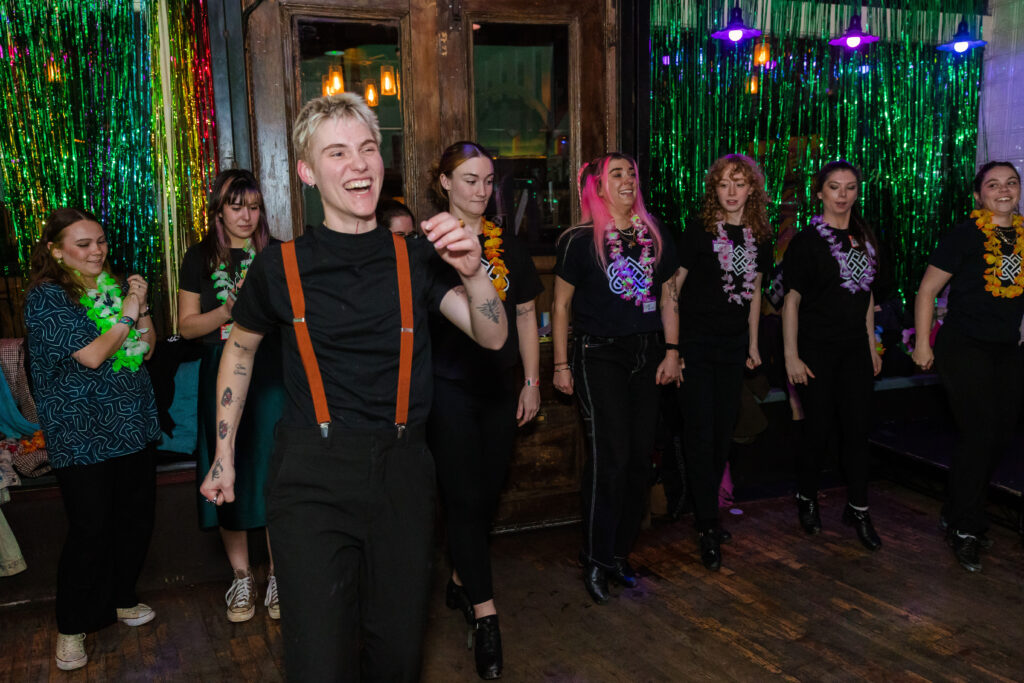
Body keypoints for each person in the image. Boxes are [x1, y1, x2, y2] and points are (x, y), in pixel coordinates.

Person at [198, 93, 507, 681]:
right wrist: (223, 454)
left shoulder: (417, 256)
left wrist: (474, 273)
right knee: (319, 661)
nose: (359, 164)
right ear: (308, 172)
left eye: (367, 148)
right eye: (337, 152)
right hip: (312, 475)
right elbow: (238, 350)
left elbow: (491, 336)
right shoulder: (279, 266)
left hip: (403, 472)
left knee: (396, 657)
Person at [24, 208, 160, 671]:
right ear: (56, 250)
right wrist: (128, 310)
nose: (96, 251)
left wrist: (138, 309)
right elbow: (95, 355)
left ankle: (121, 598)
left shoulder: (111, 287)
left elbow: (146, 347)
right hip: (82, 436)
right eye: (82, 244)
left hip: (132, 424)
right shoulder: (46, 299)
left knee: (134, 520)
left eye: (100, 241)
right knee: (90, 529)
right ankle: (72, 628)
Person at [427, 141, 543, 679]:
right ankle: (486, 616)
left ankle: (459, 579)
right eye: (469, 179)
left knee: (489, 490)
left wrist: (532, 380)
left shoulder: (508, 245)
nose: (480, 189)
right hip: (448, 389)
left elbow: (523, 315)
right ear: (445, 183)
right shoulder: (429, 245)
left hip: (499, 388)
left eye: (487, 180)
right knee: (464, 498)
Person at [552, 153, 680, 605]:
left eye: (632, 173)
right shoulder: (579, 240)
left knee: (640, 459)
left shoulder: (653, 232)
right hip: (598, 353)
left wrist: (672, 351)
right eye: (617, 174)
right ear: (599, 186)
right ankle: (595, 557)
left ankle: (620, 554)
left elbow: (667, 297)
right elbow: (562, 306)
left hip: (647, 352)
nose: (628, 180)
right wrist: (561, 365)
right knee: (611, 458)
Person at [178, 169, 285, 622]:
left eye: (254, 206)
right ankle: (242, 578)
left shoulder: (277, 254)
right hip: (220, 376)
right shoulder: (200, 257)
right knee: (229, 470)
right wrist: (229, 307)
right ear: (219, 210)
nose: (246, 215)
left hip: (274, 376)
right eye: (236, 206)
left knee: (278, 473)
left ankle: (282, 576)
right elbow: (186, 327)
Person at [912, 161, 1024, 572]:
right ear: (979, 195)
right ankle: (966, 527)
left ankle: (957, 506)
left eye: (1011, 183)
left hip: (1006, 350)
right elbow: (927, 290)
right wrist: (923, 343)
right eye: (993, 184)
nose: (1004, 190)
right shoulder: (964, 234)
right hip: (963, 347)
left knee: (998, 437)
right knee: (979, 434)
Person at [665, 154, 773, 570]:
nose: (731, 192)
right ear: (715, 188)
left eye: (740, 183)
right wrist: (672, 348)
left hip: (732, 348)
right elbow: (673, 289)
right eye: (724, 183)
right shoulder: (698, 231)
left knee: (723, 431)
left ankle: (706, 509)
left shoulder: (759, 236)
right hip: (695, 345)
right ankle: (708, 524)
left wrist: (753, 345)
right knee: (700, 432)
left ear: (752, 190)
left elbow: (756, 291)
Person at [782, 160, 883, 551]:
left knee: (858, 431)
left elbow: (867, 295)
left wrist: (872, 345)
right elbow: (791, 301)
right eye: (835, 187)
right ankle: (807, 497)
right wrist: (791, 356)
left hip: (855, 350)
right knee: (818, 430)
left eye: (850, 187)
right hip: (816, 351)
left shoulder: (865, 238)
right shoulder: (807, 241)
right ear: (820, 192)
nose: (843, 195)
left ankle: (859, 508)